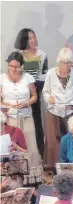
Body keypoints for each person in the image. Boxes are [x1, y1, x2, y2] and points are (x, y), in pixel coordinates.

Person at [0, 52, 42, 186]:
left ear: (21, 66)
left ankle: (32, 179)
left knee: (30, 146)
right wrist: (5, 106)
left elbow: (34, 96)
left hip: (26, 116)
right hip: (10, 118)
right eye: (11, 66)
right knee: (12, 147)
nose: (13, 69)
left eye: (16, 66)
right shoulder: (2, 79)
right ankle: (14, 177)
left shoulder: (28, 77)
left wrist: (27, 103)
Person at [42, 48, 73, 167]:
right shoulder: (51, 73)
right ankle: (54, 167)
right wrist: (49, 98)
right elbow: (45, 92)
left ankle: (72, 166)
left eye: (68, 63)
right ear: (59, 61)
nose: (65, 65)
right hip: (54, 112)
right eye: (63, 62)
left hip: (71, 112)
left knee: (71, 140)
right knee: (53, 142)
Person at [15, 28, 48, 156]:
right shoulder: (19, 55)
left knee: (37, 122)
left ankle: (40, 153)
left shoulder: (42, 55)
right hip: (22, 92)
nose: (33, 40)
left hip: (37, 90)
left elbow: (44, 75)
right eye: (30, 38)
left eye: (34, 37)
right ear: (24, 40)